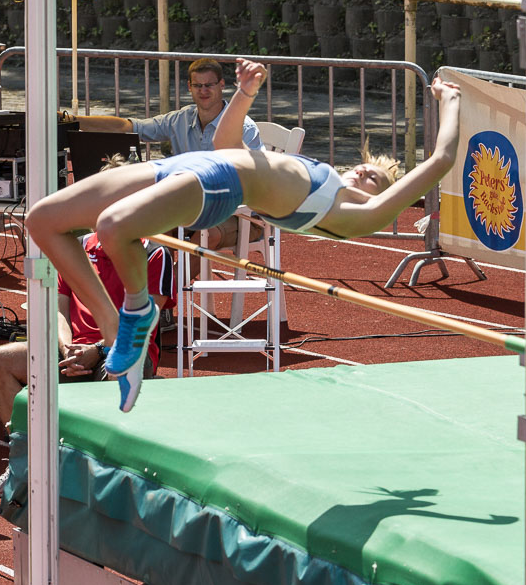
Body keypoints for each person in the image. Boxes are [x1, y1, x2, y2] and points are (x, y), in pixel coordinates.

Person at [27, 58, 461, 414]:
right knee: (43, 220)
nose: (367, 172)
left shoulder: (358, 215)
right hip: (195, 164)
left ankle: (137, 319)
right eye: (365, 167)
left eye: (376, 180)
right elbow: (227, 140)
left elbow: (441, 158)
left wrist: (451, 102)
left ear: (383, 200)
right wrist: (246, 91)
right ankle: (113, 329)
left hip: (220, 184)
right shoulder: (323, 177)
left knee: (112, 226)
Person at [0, 229, 175, 496]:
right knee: (0, 360)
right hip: (73, 349)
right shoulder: (78, 248)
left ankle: (106, 481)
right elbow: (59, 309)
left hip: (126, 351)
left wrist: (98, 349)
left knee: (119, 371)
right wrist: (68, 349)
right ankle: (23, 465)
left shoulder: (154, 251)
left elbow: (144, 320)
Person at [61, 57, 264, 258]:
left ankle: (169, 287)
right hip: (192, 209)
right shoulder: (181, 119)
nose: (203, 91)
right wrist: (75, 120)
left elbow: (255, 182)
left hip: (239, 214)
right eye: (197, 85)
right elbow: (129, 127)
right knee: (152, 221)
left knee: (207, 234)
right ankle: (160, 284)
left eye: (209, 85)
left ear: (221, 85)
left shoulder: (244, 128)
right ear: (189, 87)